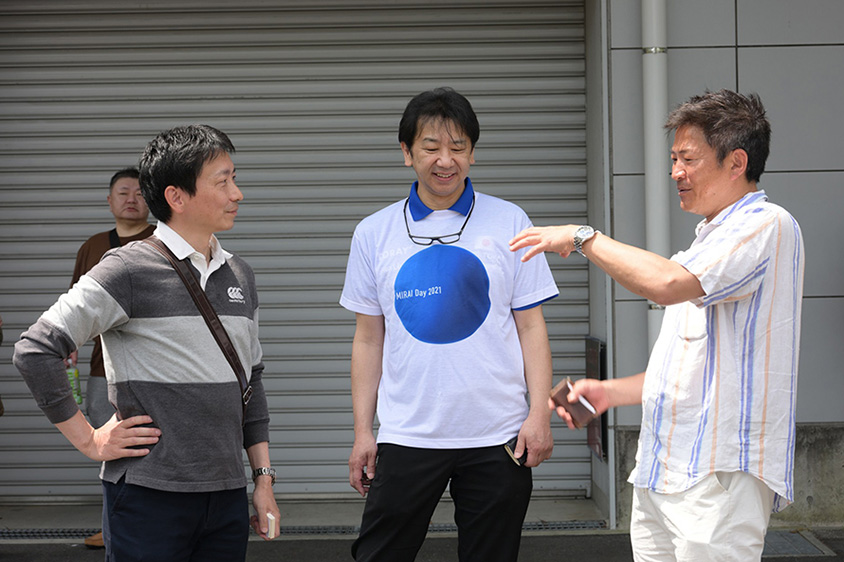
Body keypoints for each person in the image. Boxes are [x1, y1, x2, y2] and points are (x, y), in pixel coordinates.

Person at [510, 89, 805, 561]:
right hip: (664, 470)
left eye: (688, 159)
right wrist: (610, 393)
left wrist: (583, 237)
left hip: (716, 475)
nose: (675, 173)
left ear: (736, 162)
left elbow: (666, 283)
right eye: (673, 159)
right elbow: (689, 368)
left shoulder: (765, 223)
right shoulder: (706, 243)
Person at [14, 124, 280, 561]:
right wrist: (89, 440)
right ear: (177, 197)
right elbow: (35, 349)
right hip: (148, 494)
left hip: (227, 494)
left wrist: (263, 479)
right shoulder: (127, 269)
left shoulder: (240, 274)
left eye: (235, 178)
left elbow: (252, 381)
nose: (237, 193)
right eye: (222, 181)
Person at [340, 87, 559, 562]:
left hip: (498, 435)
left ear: (472, 153)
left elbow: (531, 327)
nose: (445, 160)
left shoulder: (510, 221)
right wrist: (363, 431)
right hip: (408, 433)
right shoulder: (374, 232)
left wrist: (538, 415)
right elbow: (368, 338)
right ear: (406, 152)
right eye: (431, 147)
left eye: (458, 147)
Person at [65, 166, 154, 549]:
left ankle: (155, 527)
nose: (132, 199)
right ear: (110, 200)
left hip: (158, 370)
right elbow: (74, 307)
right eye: (123, 192)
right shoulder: (93, 247)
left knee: (154, 449)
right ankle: (115, 528)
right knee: (112, 451)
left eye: (139, 192)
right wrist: (69, 344)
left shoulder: (164, 240)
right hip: (105, 369)